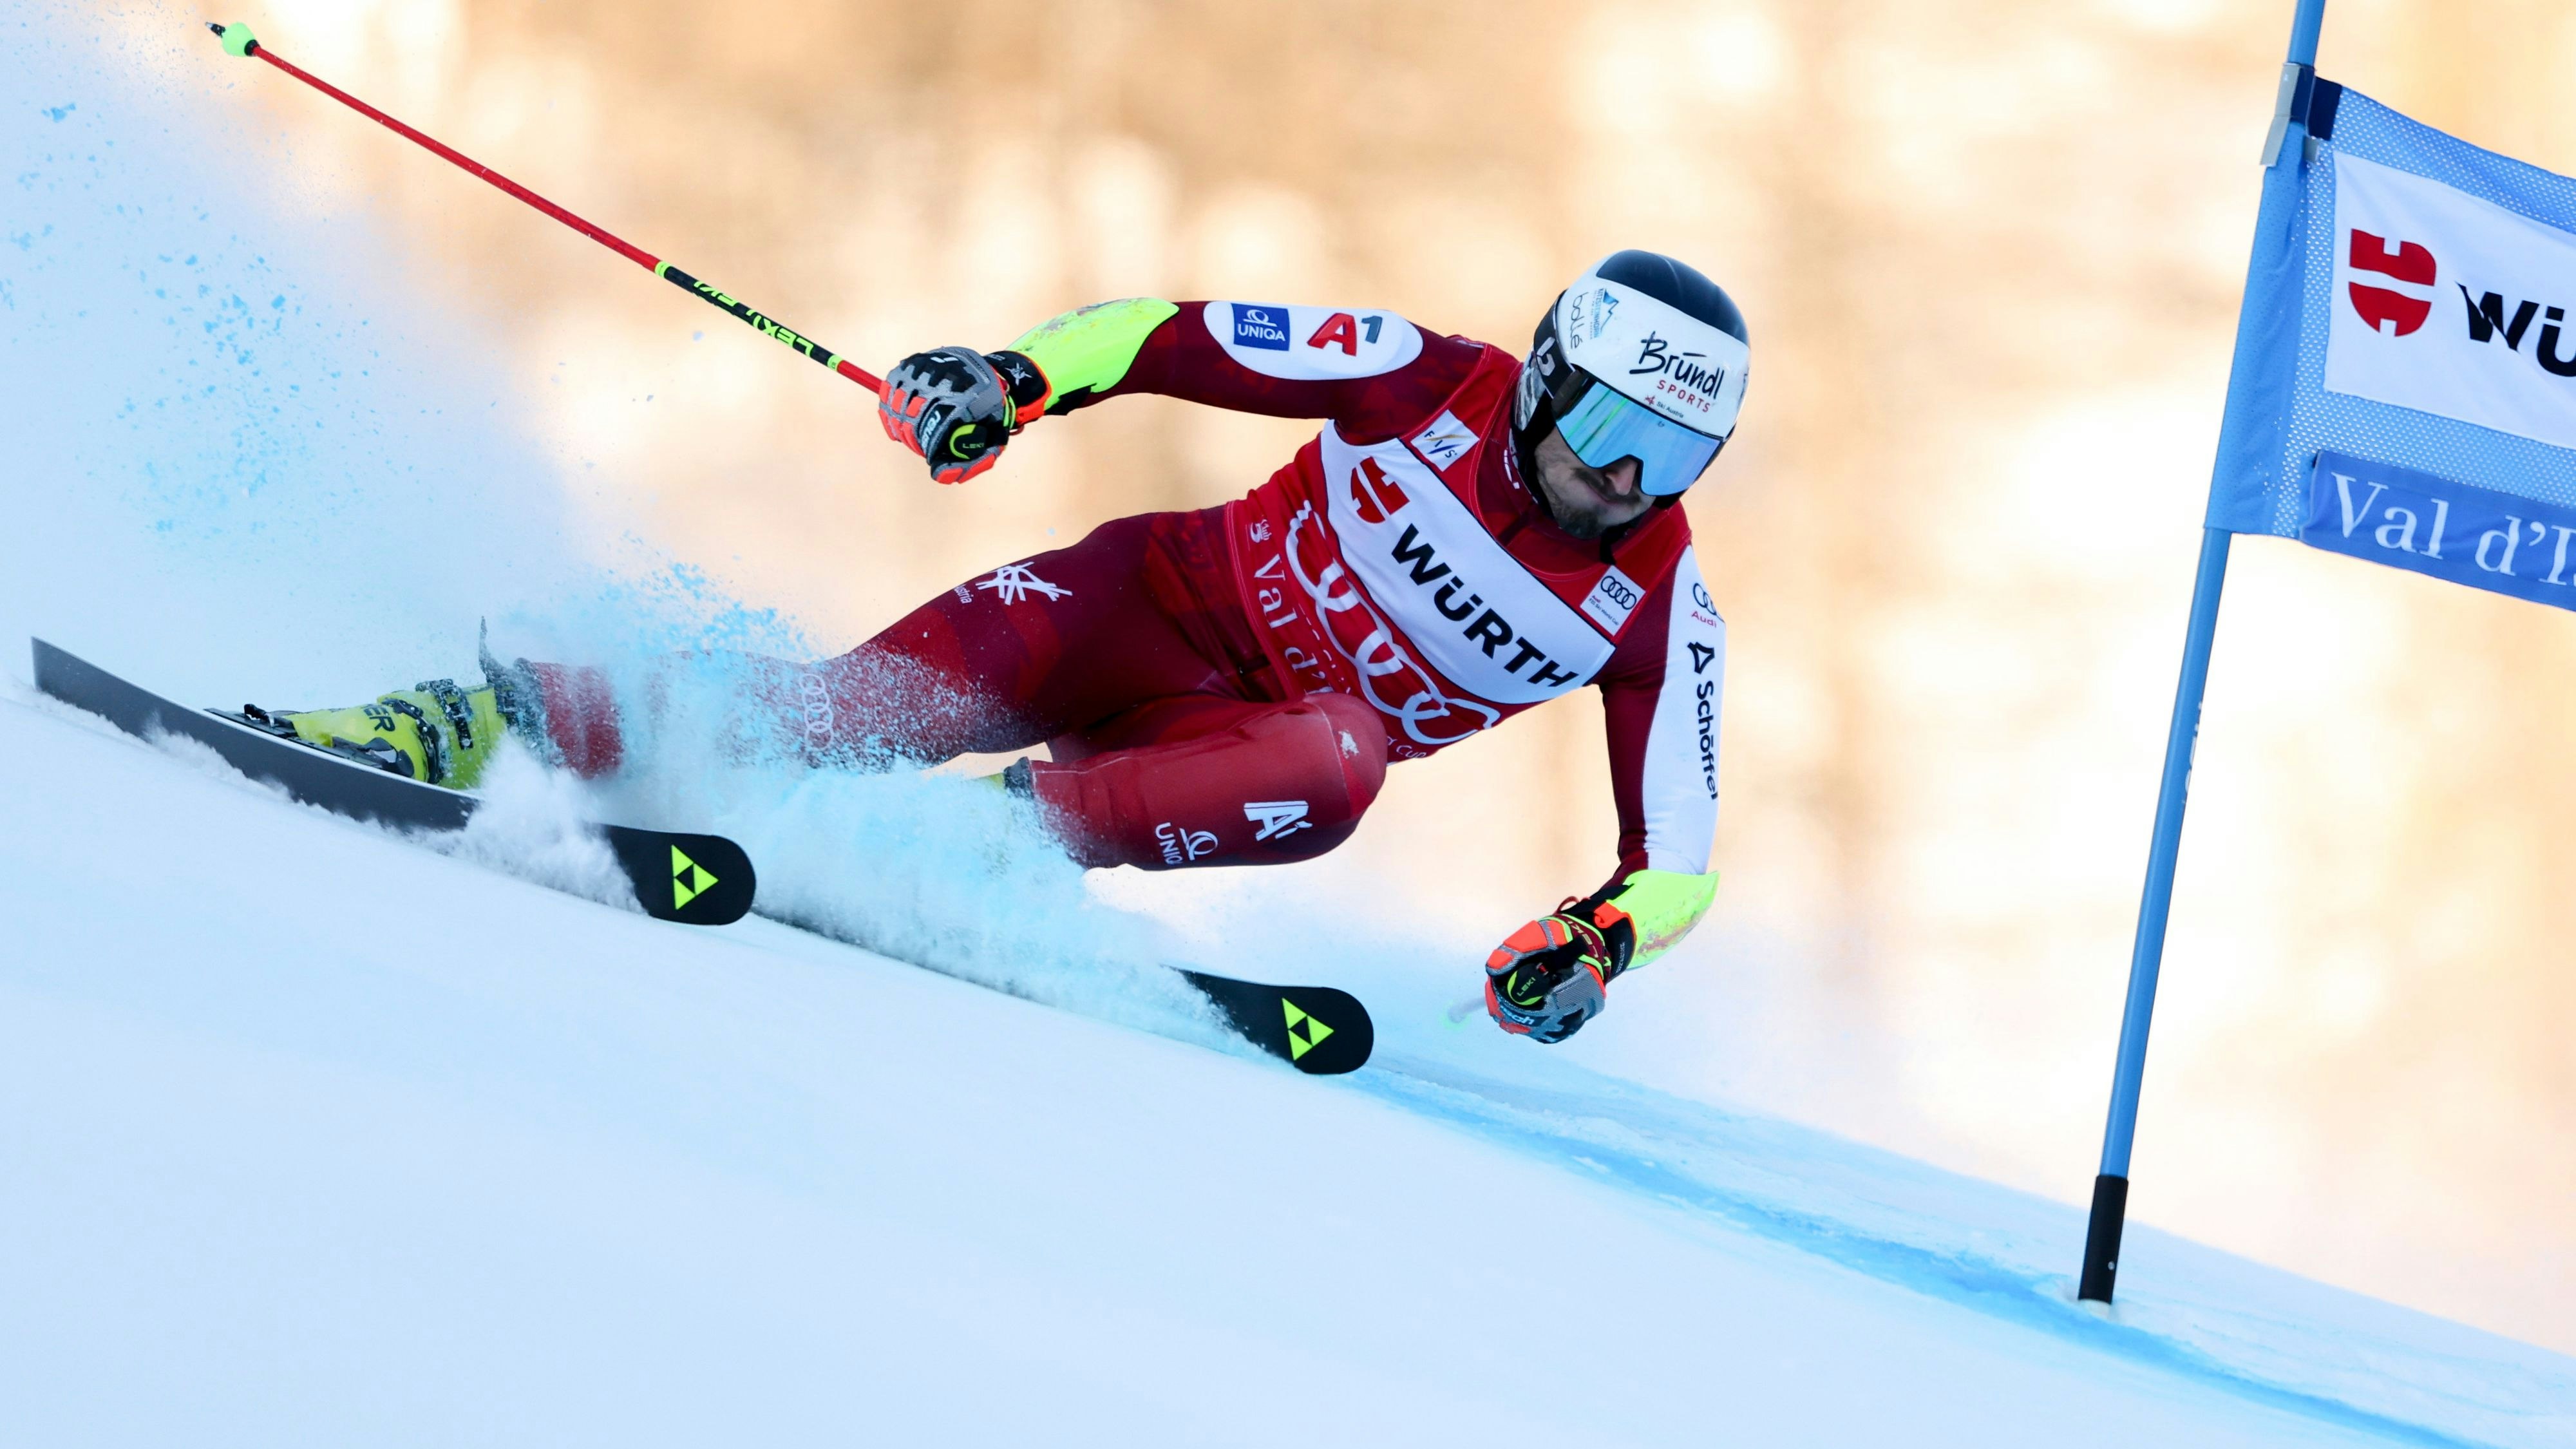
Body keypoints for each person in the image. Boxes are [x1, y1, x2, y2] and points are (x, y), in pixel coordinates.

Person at [265, 250, 1744, 1043]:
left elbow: (1677, 856)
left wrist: (1594, 946)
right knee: (828, 714)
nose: (1622, 484)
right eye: (1608, 432)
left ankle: (962, 840)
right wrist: (1008, 380)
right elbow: (1170, 333)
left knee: (1343, 756)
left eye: (1672, 458)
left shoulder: (1657, 601)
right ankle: (479, 720)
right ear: (1548, 377)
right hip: (1136, 607)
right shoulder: (1423, 379)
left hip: (1233, 756)